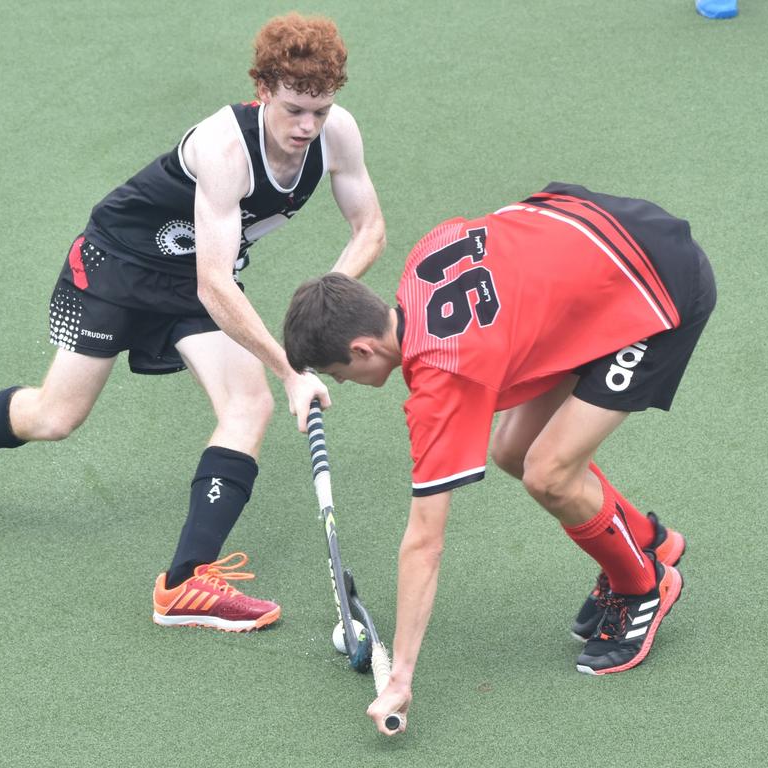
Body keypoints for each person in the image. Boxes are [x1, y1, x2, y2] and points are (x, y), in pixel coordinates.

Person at [0, 13, 386, 633]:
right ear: (262, 89)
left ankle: (185, 583)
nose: (306, 126)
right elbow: (215, 285)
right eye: (293, 109)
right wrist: (291, 367)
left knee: (249, 406)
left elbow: (368, 228)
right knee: (56, 417)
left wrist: (327, 300)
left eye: (319, 111)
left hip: (194, 278)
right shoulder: (223, 147)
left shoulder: (336, 134)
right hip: (120, 267)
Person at [283, 182, 715, 733]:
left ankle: (643, 583)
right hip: (606, 231)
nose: (344, 382)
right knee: (514, 450)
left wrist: (403, 677)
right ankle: (649, 539)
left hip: (662, 285)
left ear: (362, 349)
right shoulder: (423, 261)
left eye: (338, 372)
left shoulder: (443, 379)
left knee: (551, 474)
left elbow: (425, 541)